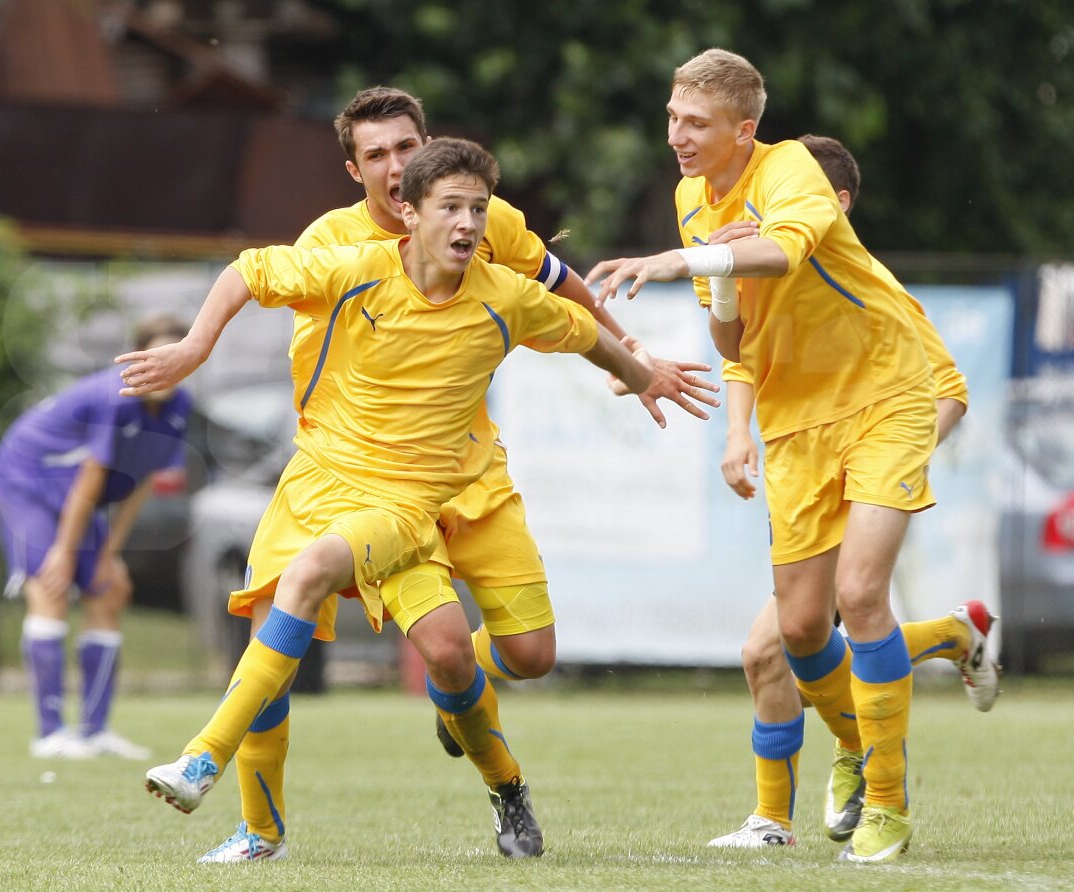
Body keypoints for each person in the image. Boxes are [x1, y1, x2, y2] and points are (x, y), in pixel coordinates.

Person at [195, 86, 722, 866]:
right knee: (283, 616)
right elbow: (269, 296)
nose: (396, 165)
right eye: (376, 155)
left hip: (467, 474)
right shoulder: (336, 250)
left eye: (407, 147)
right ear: (355, 170)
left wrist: (633, 356)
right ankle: (258, 829)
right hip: (353, 479)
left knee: (525, 656)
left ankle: (461, 696)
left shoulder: (478, 217)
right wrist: (200, 351)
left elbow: (559, 289)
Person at [587, 48, 959, 863]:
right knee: (794, 631)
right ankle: (858, 748)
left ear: (743, 130)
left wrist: (683, 259)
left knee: (860, 594)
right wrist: (714, 279)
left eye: (697, 123)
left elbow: (785, 251)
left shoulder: (791, 168)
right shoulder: (692, 198)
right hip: (796, 425)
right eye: (673, 118)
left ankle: (888, 806)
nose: (678, 136)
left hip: (886, 396)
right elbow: (735, 337)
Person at [703, 134, 998, 850]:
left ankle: (848, 771)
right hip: (805, 472)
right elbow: (743, 359)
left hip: (871, 476)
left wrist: (881, 474)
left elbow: (949, 391)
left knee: (827, 624)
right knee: (773, 649)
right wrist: (737, 434)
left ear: (829, 206)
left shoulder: (869, 291)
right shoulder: (770, 281)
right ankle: (957, 637)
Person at [0, 314, 193, 760]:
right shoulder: (114, 399)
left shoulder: (179, 406)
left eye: (172, 357)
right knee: (50, 586)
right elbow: (90, 478)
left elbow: (141, 481)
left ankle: (95, 731)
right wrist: (62, 552)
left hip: (79, 494)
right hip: (27, 480)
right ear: (136, 359)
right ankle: (50, 735)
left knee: (109, 590)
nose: (162, 366)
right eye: (152, 356)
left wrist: (110, 555)